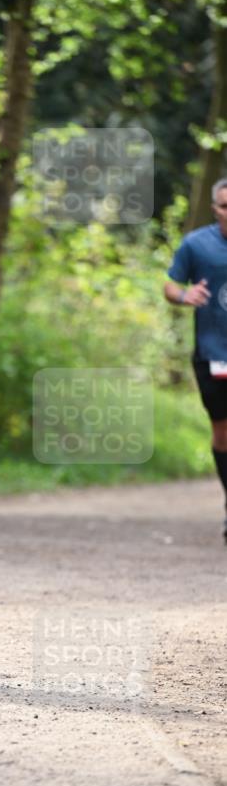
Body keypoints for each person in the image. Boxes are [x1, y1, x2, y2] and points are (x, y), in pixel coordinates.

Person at [164, 177, 227, 543]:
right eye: (223, 206)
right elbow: (170, 285)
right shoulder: (197, 244)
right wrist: (184, 295)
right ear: (215, 208)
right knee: (222, 431)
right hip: (212, 354)